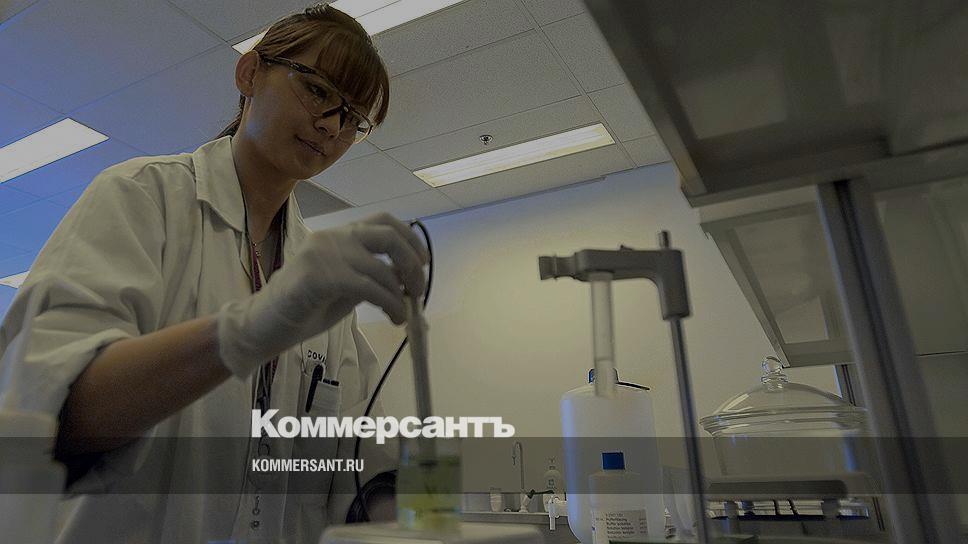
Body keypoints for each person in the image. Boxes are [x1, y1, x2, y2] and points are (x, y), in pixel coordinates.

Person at [0, 4, 426, 543]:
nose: (331, 126)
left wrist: (410, 518)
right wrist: (244, 330)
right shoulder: (141, 197)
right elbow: (54, 411)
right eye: (317, 90)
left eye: (352, 118)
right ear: (250, 73)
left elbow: (359, 456)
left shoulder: (320, 282)